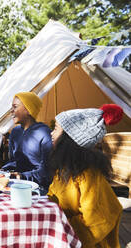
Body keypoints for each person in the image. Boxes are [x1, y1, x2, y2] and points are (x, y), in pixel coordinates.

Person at [48, 104, 123, 248]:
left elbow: (95, 222)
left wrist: (59, 231)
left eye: (56, 129)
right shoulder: (65, 167)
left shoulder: (88, 173)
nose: (51, 133)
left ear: (70, 137)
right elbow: (54, 195)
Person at [1, 92, 52, 192]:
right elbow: (14, 161)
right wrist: (4, 169)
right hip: (17, 184)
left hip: (39, 189)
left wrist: (22, 176)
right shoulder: (15, 132)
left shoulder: (44, 133)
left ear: (28, 110)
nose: (11, 111)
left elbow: (47, 172)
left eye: (15, 107)